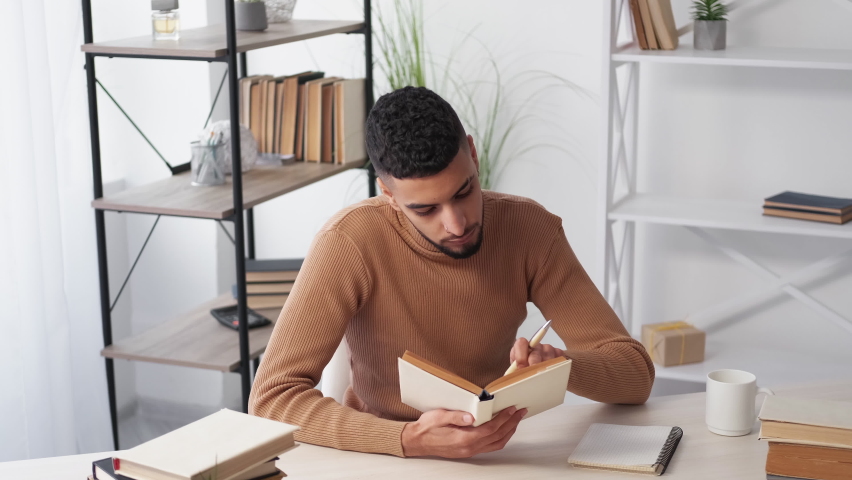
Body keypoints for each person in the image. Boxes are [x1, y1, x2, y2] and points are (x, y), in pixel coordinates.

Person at [249, 86, 654, 458]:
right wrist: (405, 440)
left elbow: (635, 375)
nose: (457, 224)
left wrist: (559, 366)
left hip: (499, 452)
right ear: (388, 195)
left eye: (465, 191)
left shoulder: (529, 229)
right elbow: (271, 398)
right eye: (425, 209)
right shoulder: (349, 242)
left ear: (474, 156)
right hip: (384, 459)